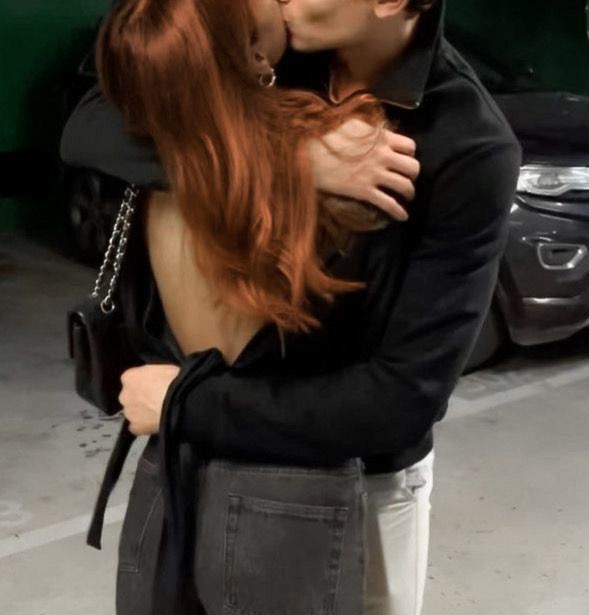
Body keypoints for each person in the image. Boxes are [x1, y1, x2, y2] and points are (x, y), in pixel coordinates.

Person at [60, 0, 522, 614]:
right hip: (197, 455)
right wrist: (280, 157)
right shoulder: (278, 44)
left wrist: (184, 403)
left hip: (359, 486)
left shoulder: (466, 144)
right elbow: (91, 126)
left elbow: (400, 401)